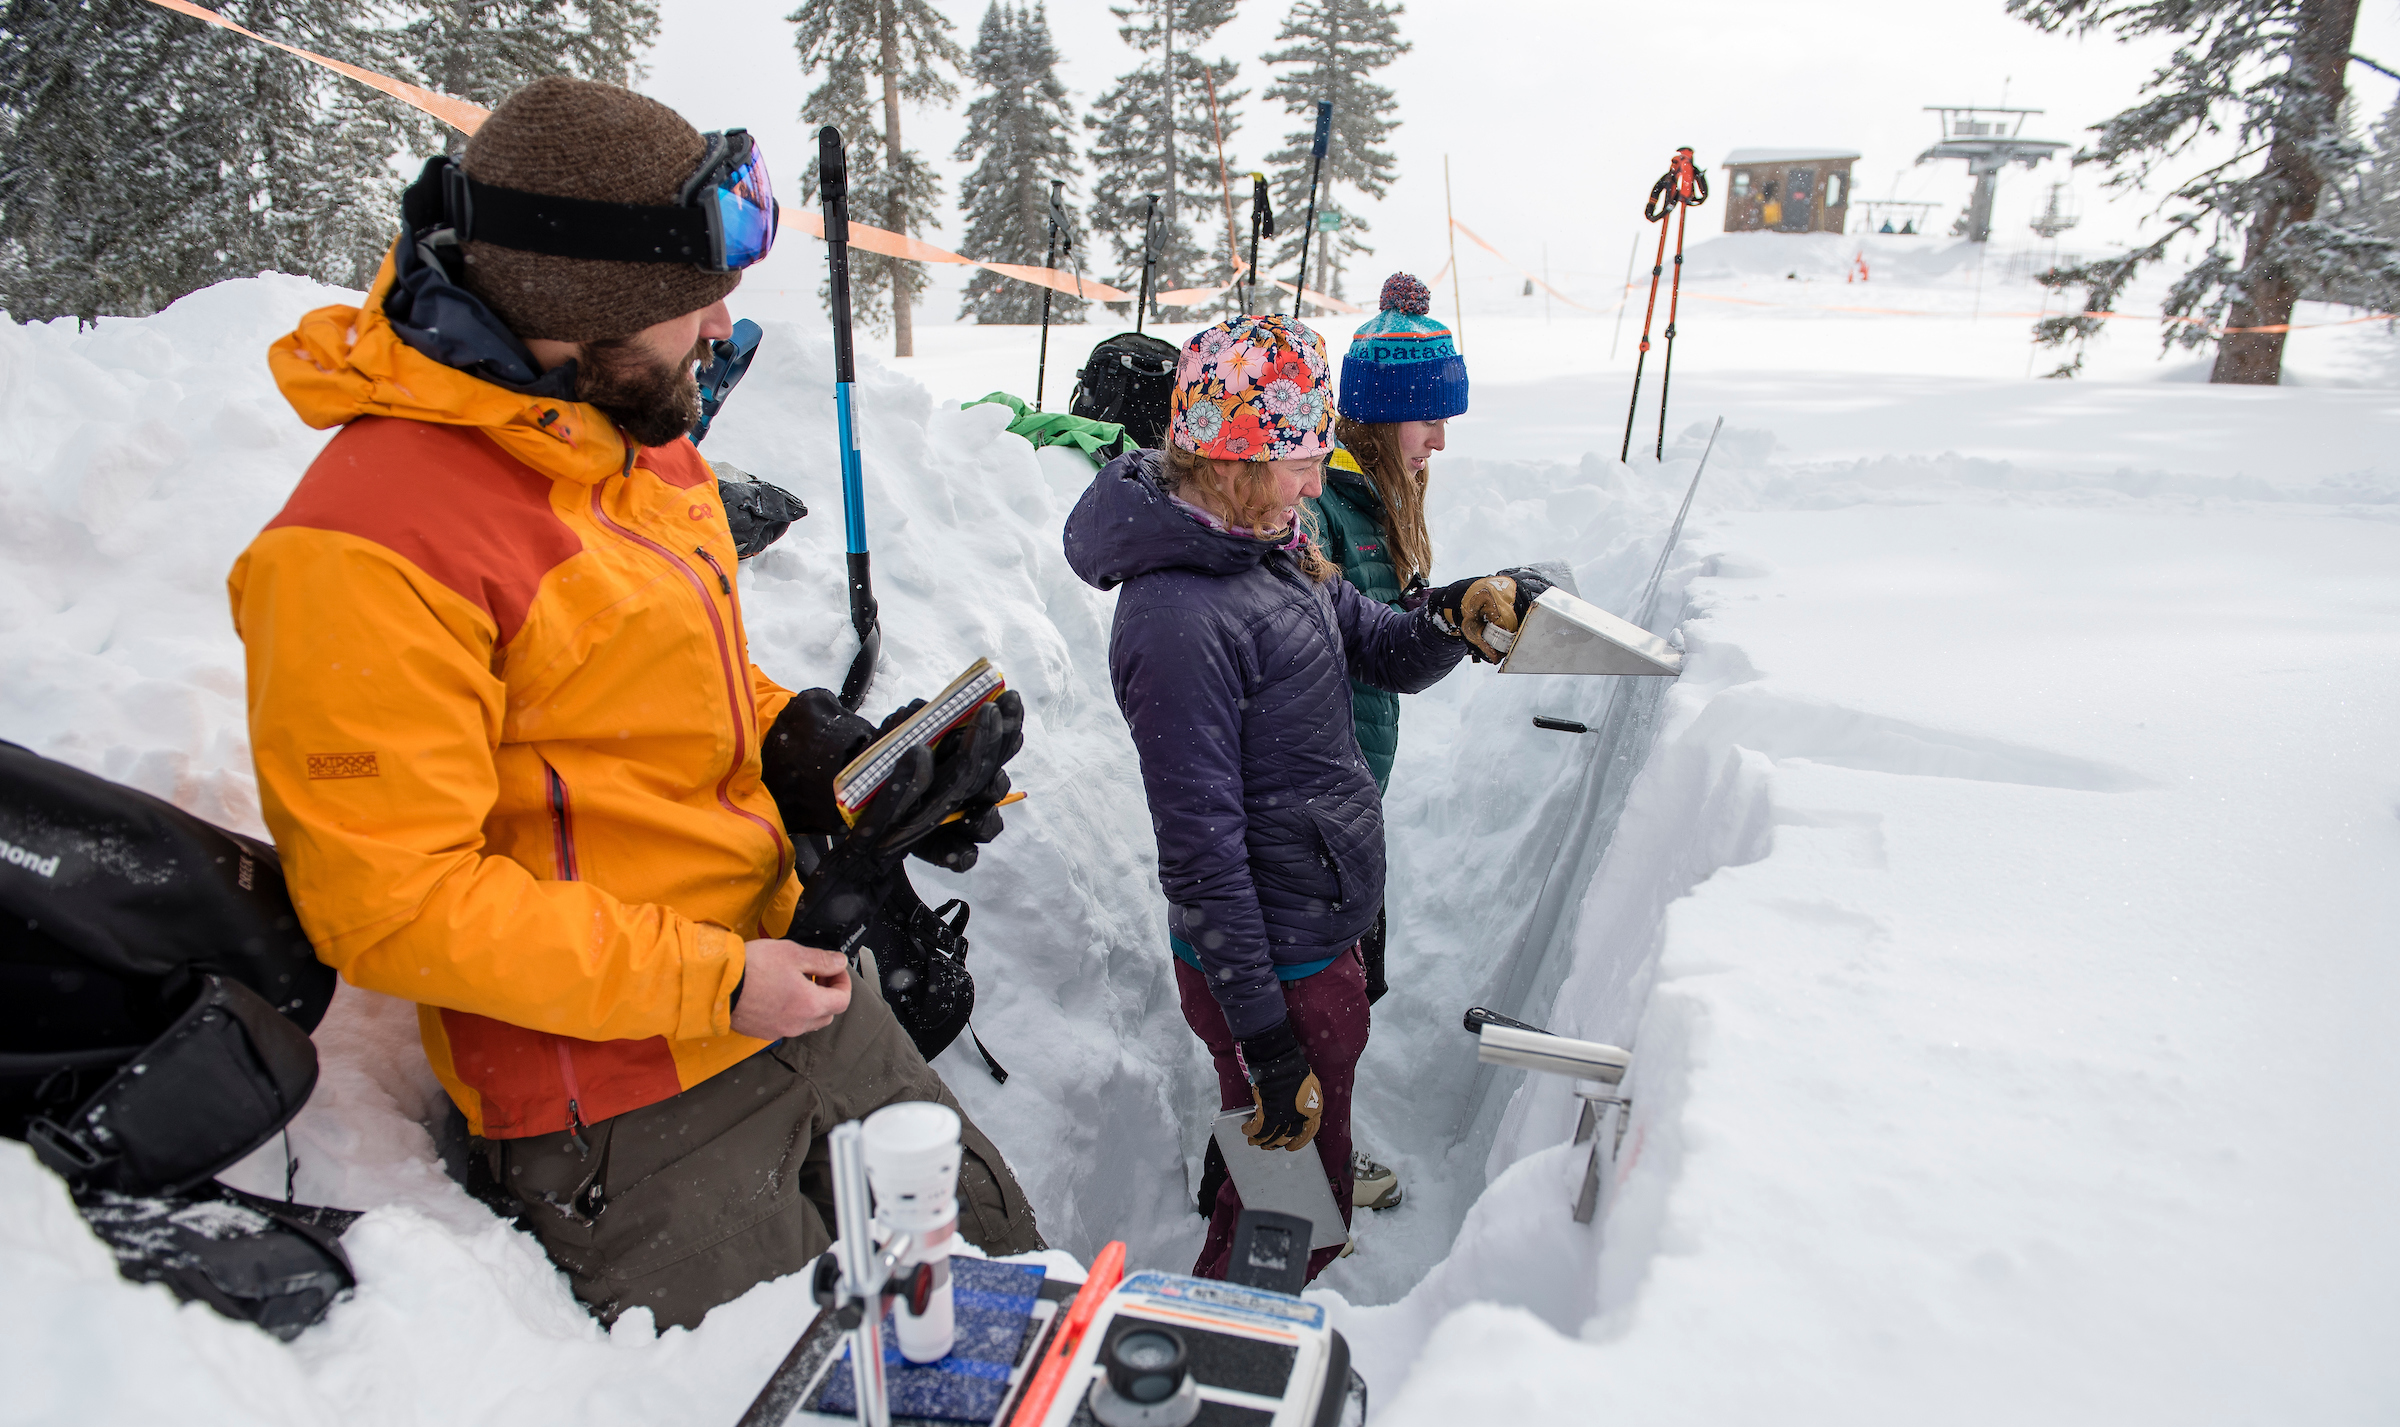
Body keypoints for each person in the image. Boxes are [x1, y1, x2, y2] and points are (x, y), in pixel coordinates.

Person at [226, 77, 1042, 1332]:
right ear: (578, 309)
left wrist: (805, 743)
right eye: (687, 298)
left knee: (1008, 1320)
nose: (719, 324)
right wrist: (716, 986)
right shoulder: (365, 545)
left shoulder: (631, 435)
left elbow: (652, 683)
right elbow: (394, 906)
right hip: (631, 1109)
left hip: (807, 993)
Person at [1063, 313, 1547, 1283]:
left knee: (1282, 1188)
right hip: (1273, 968)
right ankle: (1224, 1354)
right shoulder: (1176, 619)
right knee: (1288, 1218)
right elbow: (1201, 854)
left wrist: (1456, 611)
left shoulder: (1271, 547)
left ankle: (1246, 1299)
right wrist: (1268, 1042)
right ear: (1236, 456)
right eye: (1300, 460)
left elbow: (1376, 643)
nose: (1316, 484)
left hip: (1312, 934)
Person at [1310, 271, 1472, 1212]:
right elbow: (1361, 648)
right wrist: (1441, 625)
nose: (1441, 441)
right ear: (1381, 418)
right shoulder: (1330, 511)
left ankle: (1298, 1153)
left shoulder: (1379, 505)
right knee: (1325, 1000)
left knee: (1352, 988)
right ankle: (1283, 1166)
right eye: (1428, 421)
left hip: (1353, 787)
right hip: (1317, 796)